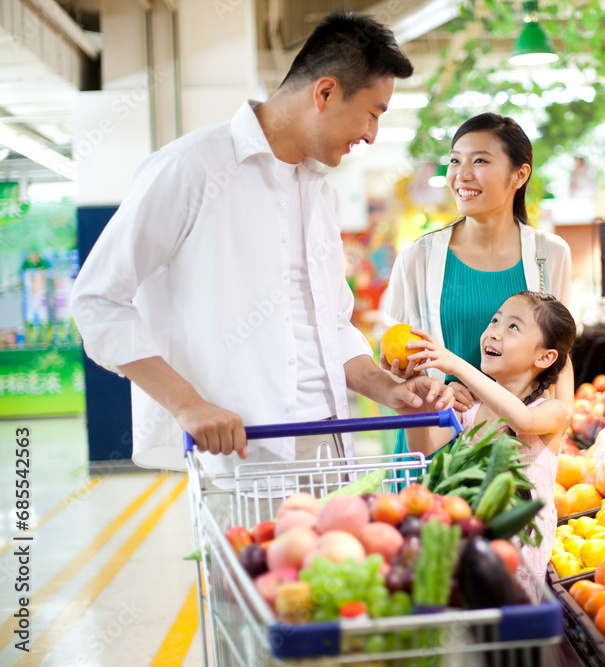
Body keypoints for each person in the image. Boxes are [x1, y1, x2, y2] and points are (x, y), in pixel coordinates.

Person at [69, 11, 451, 478]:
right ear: (325, 92)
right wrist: (187, 404)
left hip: (331, 445)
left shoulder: (320, 193)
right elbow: (97, 301)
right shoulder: (190, 168)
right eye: (373, 113)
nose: (372, 134)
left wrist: (387, 388)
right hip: (243, 456)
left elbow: (331, 325)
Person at [382, 113, 574, 453]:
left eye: (480, 161)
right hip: (433, 439)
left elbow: (560, 352)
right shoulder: (418, 257)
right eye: (455, 161)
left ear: (519, 174)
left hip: (512, 446)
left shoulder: (549, 255)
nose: (462, 175)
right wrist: (428, 386)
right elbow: (397, 357)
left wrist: (561, 424)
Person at [402, 291, 576, 589]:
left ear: (545, 357)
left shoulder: (551, 411)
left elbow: (522, 420)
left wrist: (457, 365)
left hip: (521, 570)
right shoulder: (470, 408)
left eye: (513, 326)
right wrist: (413, 398)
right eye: (495, 320)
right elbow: (422, 446)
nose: (494, 332)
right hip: (471, 552)